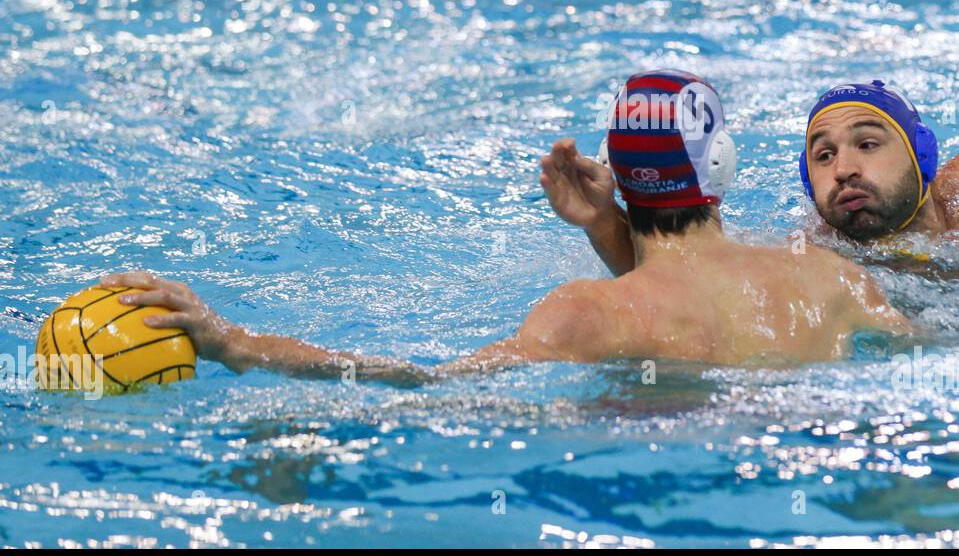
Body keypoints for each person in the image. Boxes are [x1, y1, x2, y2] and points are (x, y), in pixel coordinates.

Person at [96, 71, 912, 387]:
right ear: (723, 167)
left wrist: (235, 343)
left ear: (618, 180)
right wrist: (608, 228)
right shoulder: (831, 280)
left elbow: (418, 387)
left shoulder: (588, 314)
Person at [544, 80, 959, 275]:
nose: (845, 168)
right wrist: (604, 222)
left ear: (922, 159)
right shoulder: (813, 256)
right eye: (823, 157)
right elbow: (688, 289)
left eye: (868, 143)